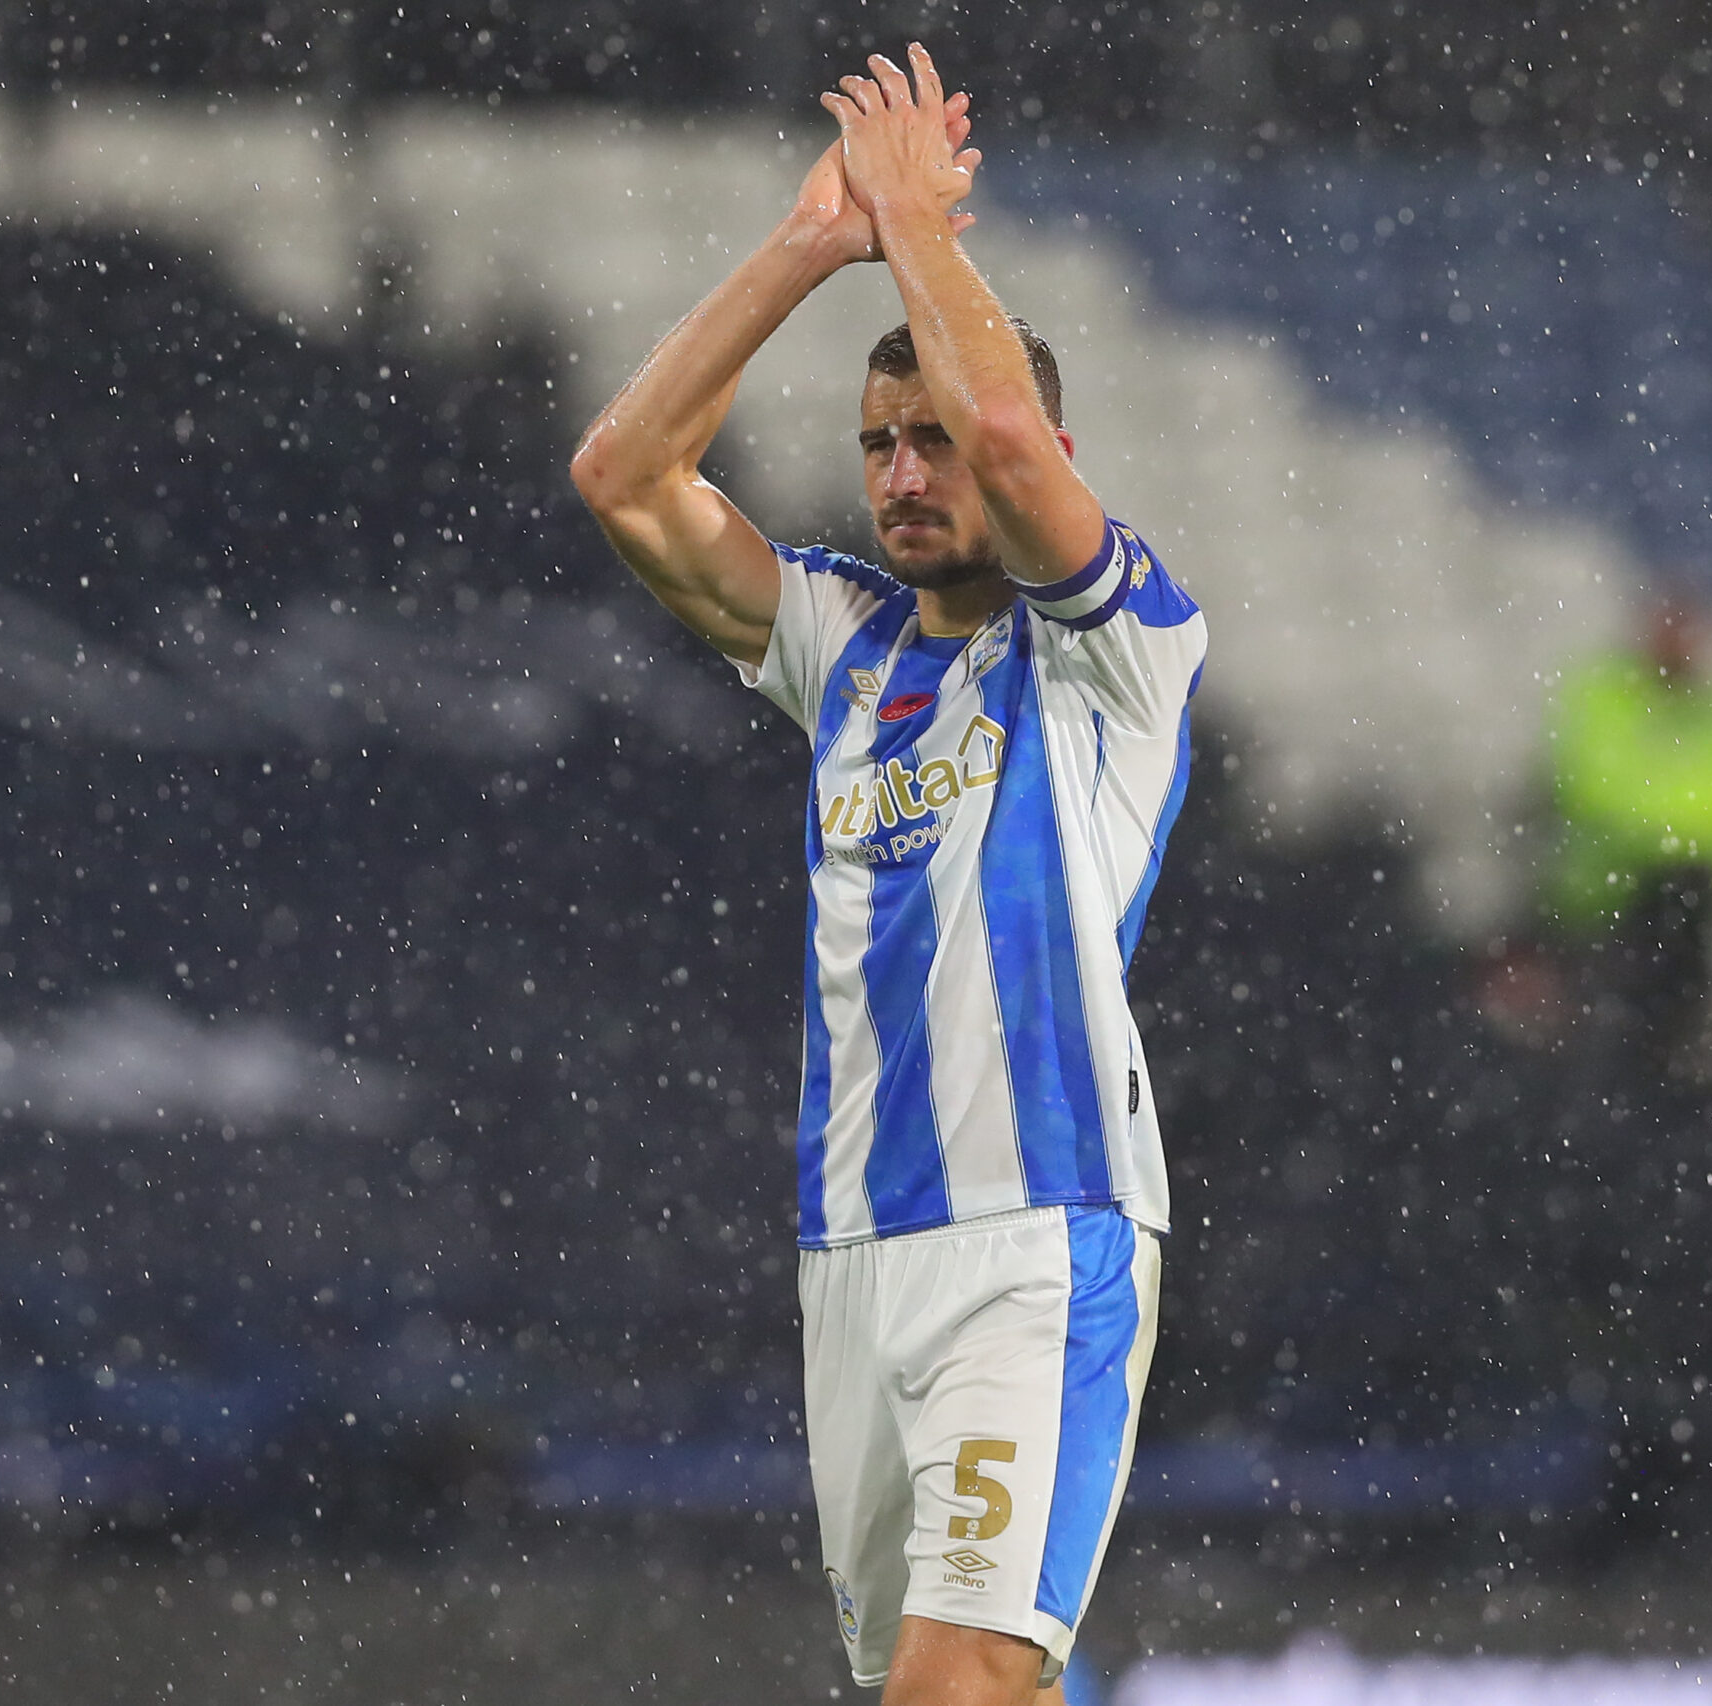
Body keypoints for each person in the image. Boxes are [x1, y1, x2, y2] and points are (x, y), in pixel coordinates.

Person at [569, 46, 1206, 1706]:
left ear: (1045, 456)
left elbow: (1001, 418)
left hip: (1037, 1236)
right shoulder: (843, 647)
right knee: (972, 1684)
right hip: (854, 1249)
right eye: (879, 443)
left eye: (935, 439)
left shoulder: (1119, 648)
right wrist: (809, 248)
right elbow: (622, 478)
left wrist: (920, 221)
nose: (912, 471)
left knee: (953, 1683)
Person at [1543, 588, 1712, 937]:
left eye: (1689, 633)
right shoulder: (1602, 699)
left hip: (1711, 898)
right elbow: (1597, 795)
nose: (1679, 645)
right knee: (1676, 900)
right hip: (1613, 898)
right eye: (1669, 630)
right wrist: (1697, 841)